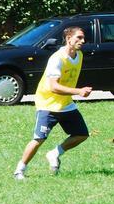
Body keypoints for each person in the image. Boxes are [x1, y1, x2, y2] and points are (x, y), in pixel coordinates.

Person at [13, 27, 92, 179]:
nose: (82, 41)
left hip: (65, 104)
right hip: (47, 104)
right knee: (39, 139)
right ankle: (19, 170)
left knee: (81, 134)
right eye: (79, 37)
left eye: (83, 38)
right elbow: (53, 87)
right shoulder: (57, 59)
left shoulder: (79, 55)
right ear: (68, 39)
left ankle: (54, 153)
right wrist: (78, 91)